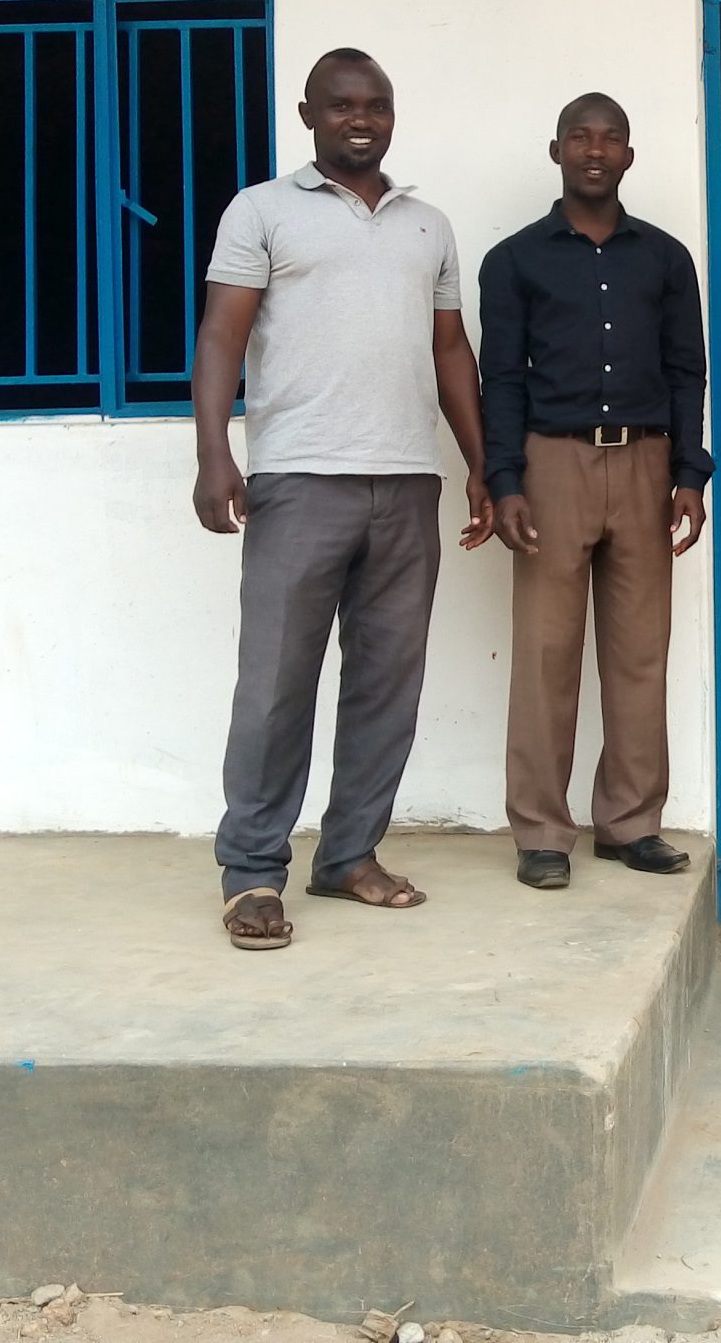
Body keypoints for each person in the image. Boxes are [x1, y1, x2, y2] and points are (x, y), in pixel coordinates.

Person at [192, 48, 492, 952]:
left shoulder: (428, 226)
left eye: (377, 105)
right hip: (298, 479)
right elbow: (220, 335)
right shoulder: (261, 211)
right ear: (309, 114)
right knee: (278, 685)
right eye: (342, 105)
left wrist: (482, 464)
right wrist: (215, 455)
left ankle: (349, 855)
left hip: (406, 482)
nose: (361, 119)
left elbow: (451, 352)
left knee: (386, 686)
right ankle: (251, 874)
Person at [481, 92, 710, 891]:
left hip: (647, 464)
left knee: (640, 652)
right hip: (552, 465)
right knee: (547, 654)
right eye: (580, 136)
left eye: (610, 138)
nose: (594, 149)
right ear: (557, 151)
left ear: (629, 157)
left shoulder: (666, 259)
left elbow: (688, 371)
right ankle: (543, 831)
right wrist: (504, 480)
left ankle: (629, 823)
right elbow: (500, 379)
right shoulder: (513, 261)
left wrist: (689, 474)